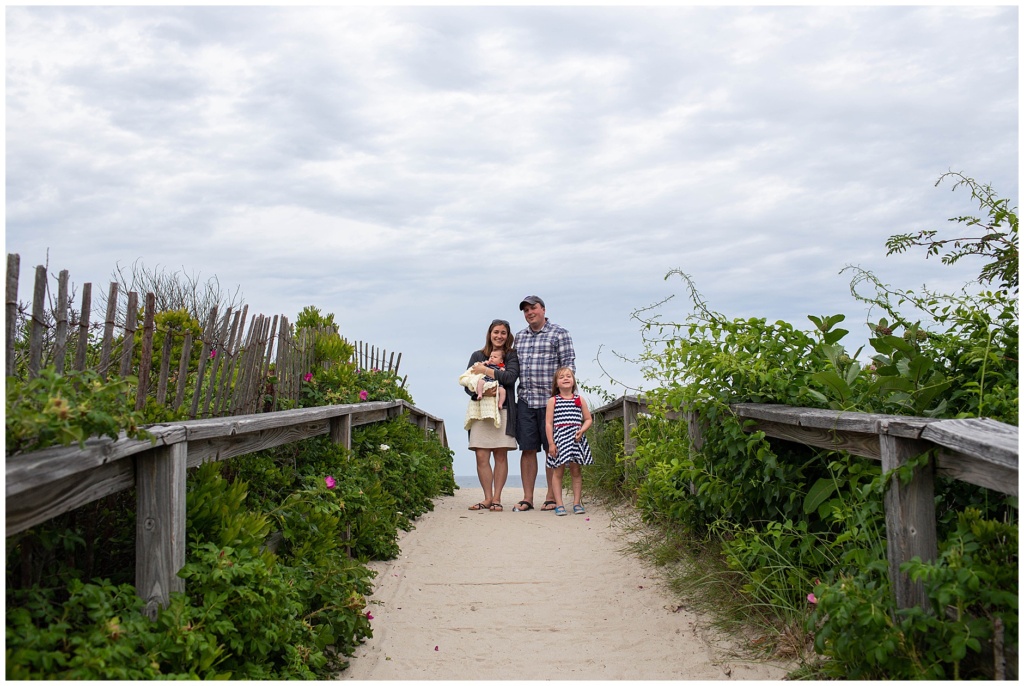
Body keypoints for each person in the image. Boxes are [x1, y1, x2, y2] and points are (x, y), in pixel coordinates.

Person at [513, 295, 576, 512]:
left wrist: (564, 397)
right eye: (526, 310)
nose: (530, 313)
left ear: (543, 309)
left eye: (533, 308)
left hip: (552, 402)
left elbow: (568, 366)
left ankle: (551, 496)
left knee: (552, 449)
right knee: (528, 449)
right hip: (526, 400)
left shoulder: (560, 333)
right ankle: (527, 497)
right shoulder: (519, 337)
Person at [463, 319, 519, 512]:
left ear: (508, 335)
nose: (499, 336)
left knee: (500, 454)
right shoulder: (477, 355)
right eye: (496, 332)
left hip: (503, 410)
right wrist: (482, 392)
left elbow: (510, 378)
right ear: (489, 333)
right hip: (479, 412)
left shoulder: (511, 355)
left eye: (503, 333)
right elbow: (467, 382)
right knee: (481, 455)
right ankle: (487, 497)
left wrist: (485, 370)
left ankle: (497, 498)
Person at [544, 367, 593, 516]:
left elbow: (588, 419)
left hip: (576, 439)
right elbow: (548, 423)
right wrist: (551, 443)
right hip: (560, 439)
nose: (565, 378)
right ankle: (559, 504)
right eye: (561, 377)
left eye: (568, 376)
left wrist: (582, 430)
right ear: (556, 384)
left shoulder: (579, 399)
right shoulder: (553, 400)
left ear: (573, 381)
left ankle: (577, 503)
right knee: (557, 471)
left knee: (576, 471)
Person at [458, 349, 506, 429]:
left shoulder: (500, 365)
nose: (492, 358)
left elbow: (505, 373)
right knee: (480, 382)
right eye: (491, 356)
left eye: (495, 357)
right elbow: (478, 367)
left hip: (496, 382)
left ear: (501, 360)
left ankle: (500, 403)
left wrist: (502, 370)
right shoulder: (488, 363)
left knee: (503, 391)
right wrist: (484, 363)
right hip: (487, 379)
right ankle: (480, 393)